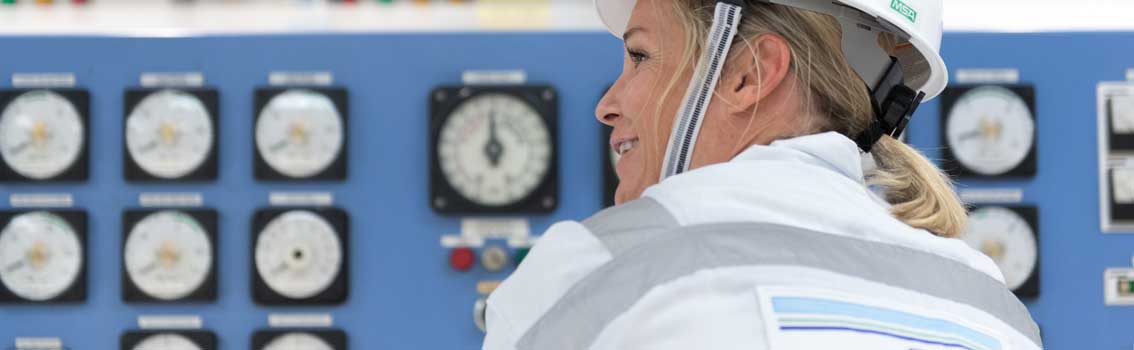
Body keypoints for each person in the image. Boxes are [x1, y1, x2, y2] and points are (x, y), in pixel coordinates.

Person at [484, 0, 1042, 349]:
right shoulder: (992, 308)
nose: (607, 104)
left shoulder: (596, 269)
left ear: (749, 75)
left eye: (640, 56)